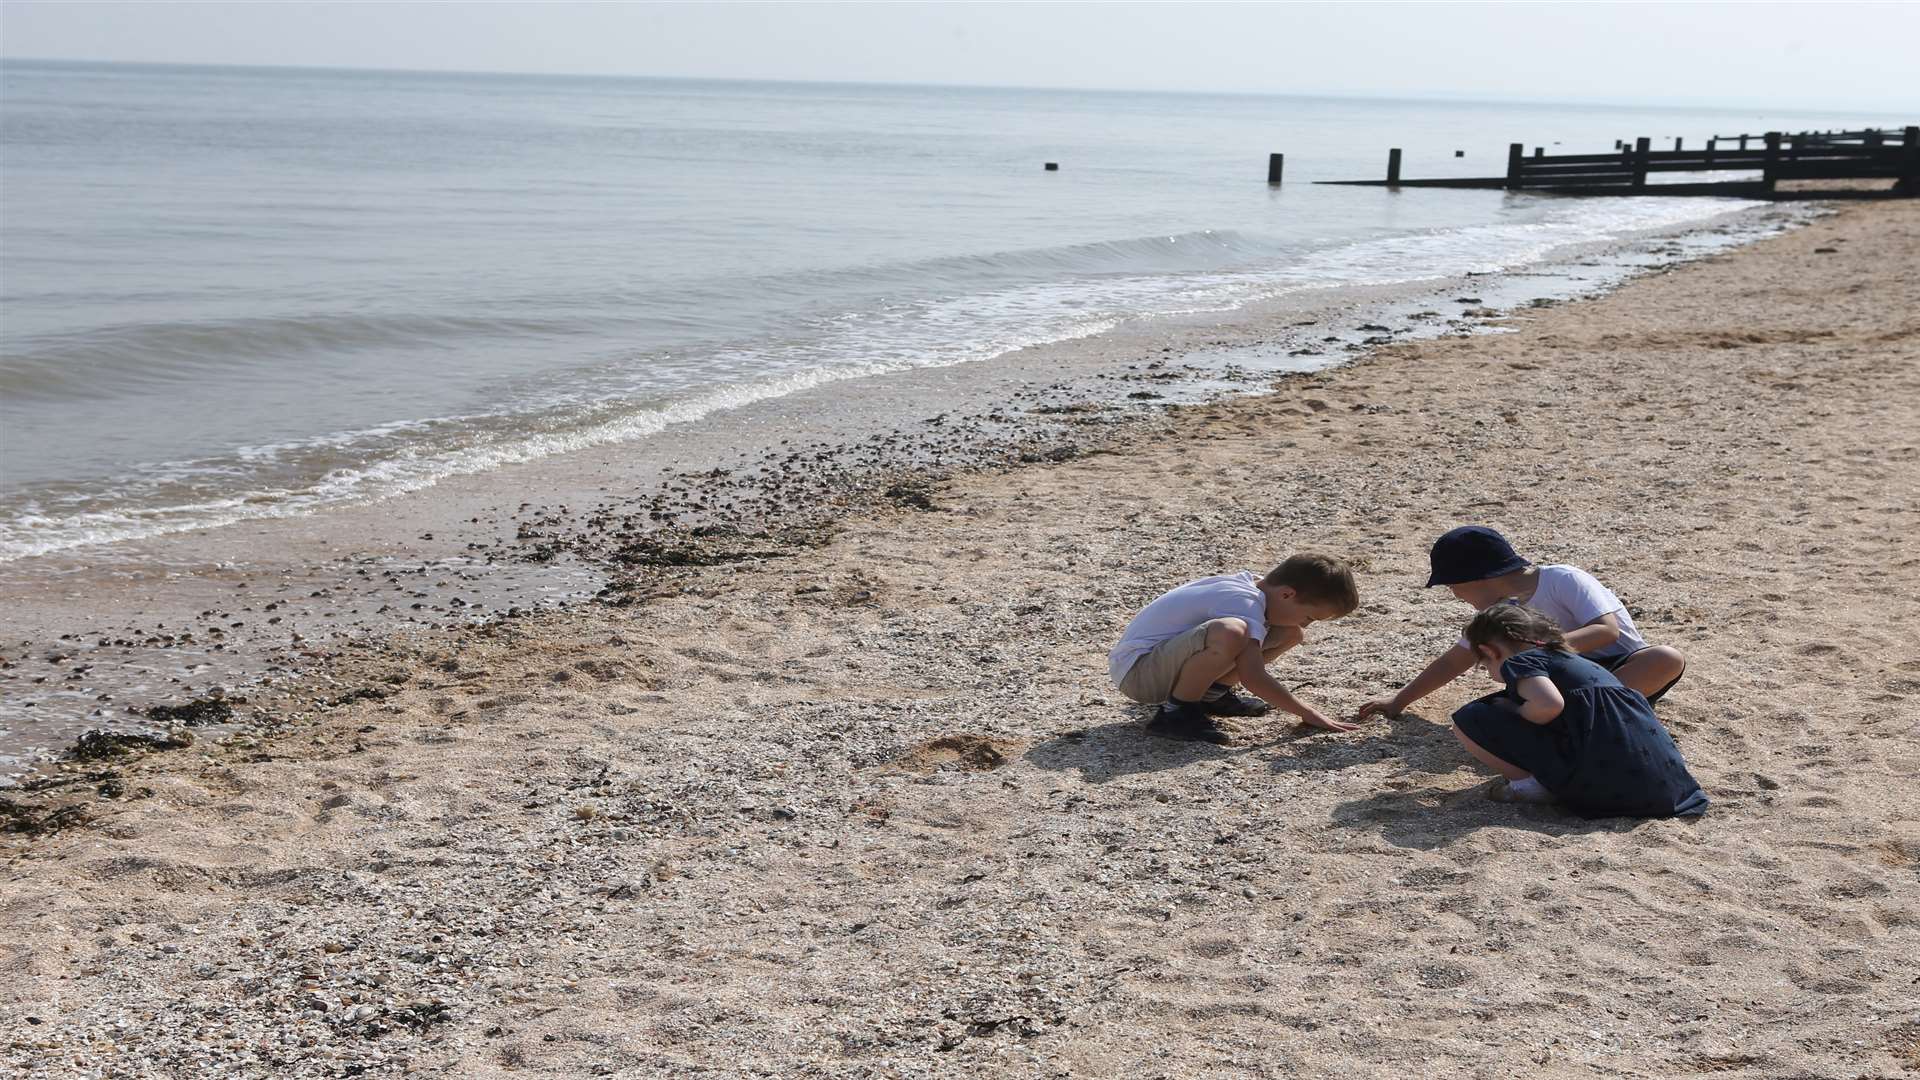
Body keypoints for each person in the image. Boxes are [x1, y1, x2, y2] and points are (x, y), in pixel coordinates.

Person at [1356, 526, 1685, 722]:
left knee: (1665, 658)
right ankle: (1583, 718)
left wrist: (1535, 653)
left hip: (1619, 672)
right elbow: (1453, 662)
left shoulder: (1563, 579)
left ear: (1481, 577)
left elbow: (1605, 631)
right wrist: (1398, 701)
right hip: (1560, 685)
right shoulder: (1496, 614)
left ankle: (1585, 717)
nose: (1454, 594)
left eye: (1453, 585)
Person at [1451, 603, 1708, 816]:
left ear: (1490, 651)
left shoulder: (1520, 662)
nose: (1490, 673)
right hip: (1669, 790)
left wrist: (1514, 712)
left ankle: (1526, 786)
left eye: (1485, 666)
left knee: (1471, 716)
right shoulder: (1578, 663)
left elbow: (1549, 704)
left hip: (1607, 794)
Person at [1108, 553, 1359, 743]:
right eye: (1309, 617)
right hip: (1138, 674)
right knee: (1230, 632)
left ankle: (1210, 696)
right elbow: (1253, 676)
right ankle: (1176, 713)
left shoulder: (1254, 588)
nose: (1306, 623)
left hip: (1158, 664)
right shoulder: (1244, 602)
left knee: (1289, 634)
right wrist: (1307, 712)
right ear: (1286, 595)